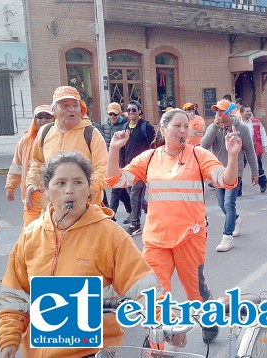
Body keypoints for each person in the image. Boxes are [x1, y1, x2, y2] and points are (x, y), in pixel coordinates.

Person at [0, 152, 183, 357]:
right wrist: (9, 339)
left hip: (94, 351)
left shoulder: (110, 235)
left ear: (89, 190)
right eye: (60, 183)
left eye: (78, 182)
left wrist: (167, 322)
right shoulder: (30, 236)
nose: (69, 190)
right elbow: (14, 295)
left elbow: (143, 287)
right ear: (46, 191)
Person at [106, 108, 242, 343]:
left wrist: (232, 156)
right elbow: (116, 180)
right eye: (177, 126)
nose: (182, 130)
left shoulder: (199, 155)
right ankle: (156, 346)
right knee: (155, 297)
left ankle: (208, 319)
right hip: (157, 240)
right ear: (164, 128)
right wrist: (113, 149)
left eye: (185, 126)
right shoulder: (148, 158)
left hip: (190, 237)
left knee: (195, 293)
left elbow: (226, 180)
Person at [26, 86, 108, 208]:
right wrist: (31, 183)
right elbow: (38, 162)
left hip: (86, 208)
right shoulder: (45, 132)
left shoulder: (91, 133)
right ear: (54, 111)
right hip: (54, 208)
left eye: (75, 105)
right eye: (65, 105)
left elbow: (102, 168)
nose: (72, 110)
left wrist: (87, 190)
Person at [201, 99, 259, 252]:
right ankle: (236, 219)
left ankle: (227, 236)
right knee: (221, 204)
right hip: (217, 172)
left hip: (235, 172)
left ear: (229, 112)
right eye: (217, 111)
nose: (219, 114)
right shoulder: (213, 127)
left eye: (222, 111)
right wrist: (214, 126)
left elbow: (250, 152)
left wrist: (255, 172)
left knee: (228, 203)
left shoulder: (242, 128)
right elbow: (204, 145)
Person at [6, 105, 55, 227]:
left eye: (48, 116)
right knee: (29, 235)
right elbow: (16, 166)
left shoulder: (59, 138)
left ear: (54, 118)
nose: (44, 120)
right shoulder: (25, 141)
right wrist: (10, 188)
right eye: (40, 116)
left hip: (53, 198)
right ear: (34, 119)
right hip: (31, 198)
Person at [118, 100, 156, 236]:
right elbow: (121, 148)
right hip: (128, 167)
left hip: (143, 167)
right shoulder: (124, 127)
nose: (131, 113)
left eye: (134, 110)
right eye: (128, 110)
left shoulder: (147, 127)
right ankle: (151, 209)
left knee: (135, 193)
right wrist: (121, 166)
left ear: (140, 111)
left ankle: (135, 224)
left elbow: (154, 146)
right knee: (134, 195)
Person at [101, 102, 132, 223]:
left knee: (115, 189)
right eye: (110, 114)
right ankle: (133, 209)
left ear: (120, 113)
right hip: (110, 161)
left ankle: (111, 217)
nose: (113, 116)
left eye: (115, 114)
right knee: (121, 190)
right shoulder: (105, 126)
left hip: (122, 162)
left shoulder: (126, 126)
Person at [239, 105, 267, 193]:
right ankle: (237, 189)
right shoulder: (237, 123)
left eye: (249, 111)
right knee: (238, 169)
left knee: (258, 168)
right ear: (241, 113)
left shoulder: (256, 122)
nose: (249, 113)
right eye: (246, 111)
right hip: (241, 150)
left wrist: (265, 145)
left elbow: (263, 134)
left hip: (254, 149)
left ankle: (263, 184)